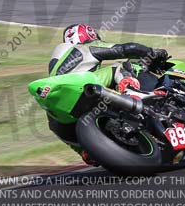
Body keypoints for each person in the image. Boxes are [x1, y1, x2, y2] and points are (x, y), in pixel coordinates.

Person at [46, 23, 169, 164]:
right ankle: (133, 93)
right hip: (81, 84)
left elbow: (57, 127)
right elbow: (127, 48)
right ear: (89, 35)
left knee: (53, 121)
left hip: (59, 105)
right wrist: (153, 52)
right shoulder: (85, 47)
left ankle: (84, 151)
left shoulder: (58, 61)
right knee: (118, 67)